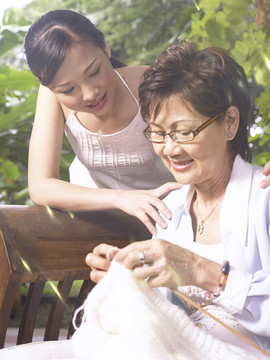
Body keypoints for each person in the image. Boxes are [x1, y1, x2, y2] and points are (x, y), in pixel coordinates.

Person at [87, 40, 270, 357]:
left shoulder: (263, 199)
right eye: (157, 132)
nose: (169, 149)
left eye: (184, 132)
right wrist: (127, 276)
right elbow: (170, 315)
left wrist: (203, 271)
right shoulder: (169, 209)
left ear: (229, 122)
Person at [23, 9, 181, 236]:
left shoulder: (152, 86)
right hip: (108, 219)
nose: (89, 94)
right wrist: (120, 199)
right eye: (68, 89)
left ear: (105, 47)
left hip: (172, 214)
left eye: (94, 72)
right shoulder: (52, 94)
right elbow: (40, 186)